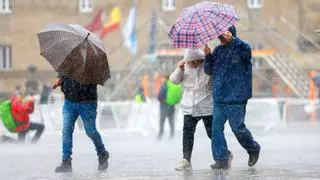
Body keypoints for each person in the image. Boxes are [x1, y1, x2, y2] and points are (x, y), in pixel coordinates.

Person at [204, 25, 261, 169]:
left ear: (231, 34)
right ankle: (221, 160)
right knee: (215, 130)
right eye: (219, 36)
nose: (220, 38)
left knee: (238, 128)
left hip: (236, 97)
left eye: (223, 36)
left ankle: (253, 149)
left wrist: (235, 40)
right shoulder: (217, 51)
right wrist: (208, 55)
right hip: (219, 97)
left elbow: (248, 52)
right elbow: (209, 70)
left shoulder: (241, 48)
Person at [170, 49, 233, 171]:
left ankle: (226, 154)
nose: (192, 64)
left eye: (195, 62)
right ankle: (186, 160)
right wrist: (179, 69)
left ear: (201, 59)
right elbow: (173, 80)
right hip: (189, 107)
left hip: (207, 106)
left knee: (212, 134)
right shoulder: (184, 66)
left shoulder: (208, 66)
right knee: (187, 134)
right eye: (190, 62)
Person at [52, 73, 109, 173]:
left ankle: (102, 153)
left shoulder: (91, 63)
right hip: (69, 102)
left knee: (90, 131)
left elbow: (96, 79)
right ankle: (66, 161)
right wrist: (60, 79)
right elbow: (62, 72)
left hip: (88, 103)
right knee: (66, 130)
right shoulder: (69, 61)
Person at [157, 75, 182, 140]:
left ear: (166, 79)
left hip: (164, 105)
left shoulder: (165, 85)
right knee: (171, 120)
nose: (162, 80)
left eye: (163, 78)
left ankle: (161, 134)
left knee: (162, 120)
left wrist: (159, 99)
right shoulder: (172, 84)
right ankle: (172, 134)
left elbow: (160, 95)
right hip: (171, 105)